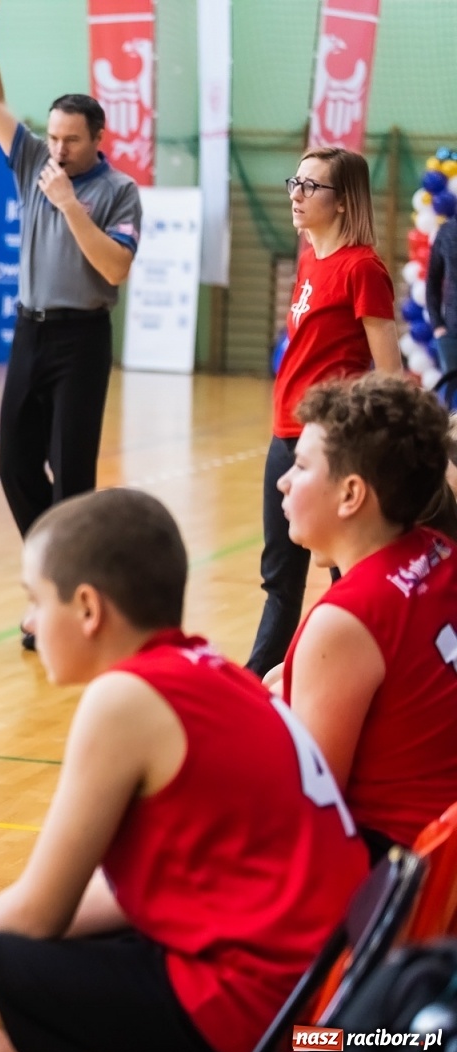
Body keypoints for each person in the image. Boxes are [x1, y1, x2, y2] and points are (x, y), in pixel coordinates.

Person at [0, 488, 366, 1052]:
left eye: (35, 600)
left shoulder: (125, 698)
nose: (28, 621)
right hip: (326, 998)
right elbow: (118, 894)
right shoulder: (211, 671)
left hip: (270, 1017)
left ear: (88, 608)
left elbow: (40, 911)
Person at [0, 0, 143, 651]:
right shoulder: (31, 164)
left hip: (82, 338)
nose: (59, 148)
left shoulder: (117, 191)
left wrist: (70, 207)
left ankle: (66, 606)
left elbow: (115, 268)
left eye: (71, 139)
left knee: (72, 476)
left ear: (97, 139)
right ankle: (59, 582)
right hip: (30, 330)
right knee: (15, 465)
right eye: (54, 136)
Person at [269, 374, 457, 865]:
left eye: (302, 466)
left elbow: (308, 807)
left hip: (386, 876)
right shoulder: (439, 551)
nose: (282, 481)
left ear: (351, 495)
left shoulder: (345, 621)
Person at [246, 147, 399, 678]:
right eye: (296, 182)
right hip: (284, 432)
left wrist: (379, 443)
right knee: (279, 578)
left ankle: (359, 676)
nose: (296, 193)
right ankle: (260, 687)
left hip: (333, 442)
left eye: (311, 187)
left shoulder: (363, 268)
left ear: (341, 203)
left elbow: (388, 371)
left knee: (346, 575)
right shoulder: (310, 255)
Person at [428, 216, 457, 375]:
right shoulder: (447, 231)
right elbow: (432, 281)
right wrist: (437, 325)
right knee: (452, 398)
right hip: (452, 336)